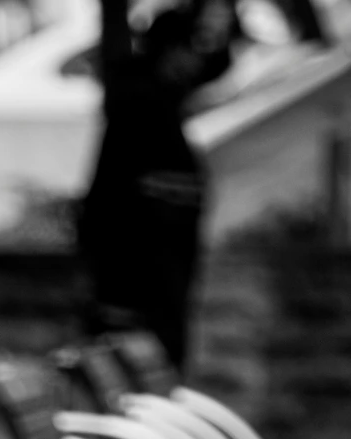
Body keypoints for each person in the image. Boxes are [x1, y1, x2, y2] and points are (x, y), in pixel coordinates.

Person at [78, 0, 241, 369]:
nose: (192, 60)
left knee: (162, 323)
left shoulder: (172, 91)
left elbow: (220, 57)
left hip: (159, 241)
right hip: (128, 230)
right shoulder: (133, 87)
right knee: (123, 327)